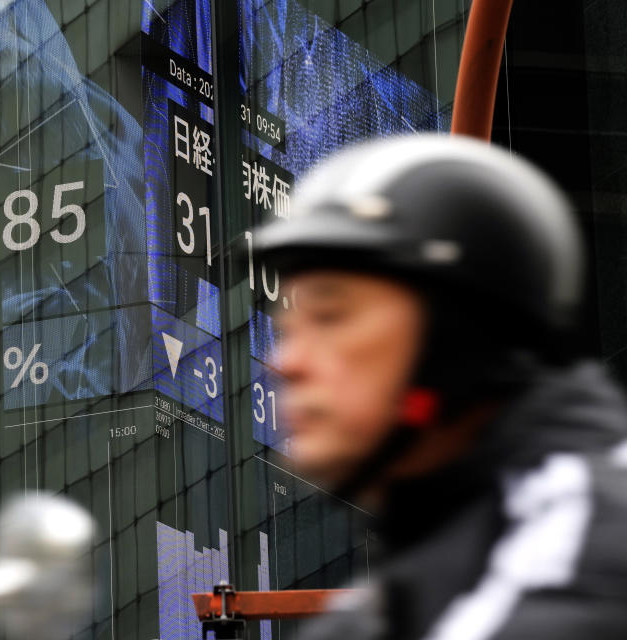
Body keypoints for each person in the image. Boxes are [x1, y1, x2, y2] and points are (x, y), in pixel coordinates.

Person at [251, 135, 627, 640]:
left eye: (330, 315)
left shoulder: (588, 537)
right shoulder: (390, 600)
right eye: (287, 330)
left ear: (459, 333)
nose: (285, 362)